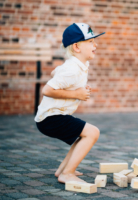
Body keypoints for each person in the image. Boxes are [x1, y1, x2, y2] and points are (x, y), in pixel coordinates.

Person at [34, 23, 105, 183]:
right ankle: (67, 174)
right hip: (51, 118)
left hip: (55, 116)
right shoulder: (72, 69)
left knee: (83, 134)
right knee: (92, 132)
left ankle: (62, 170)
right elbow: (47, 90)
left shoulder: (78, 65)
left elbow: (56, 72)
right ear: (77, 47)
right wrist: (76, 93)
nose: (96, 45)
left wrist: (79, 88)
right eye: (91, 42)